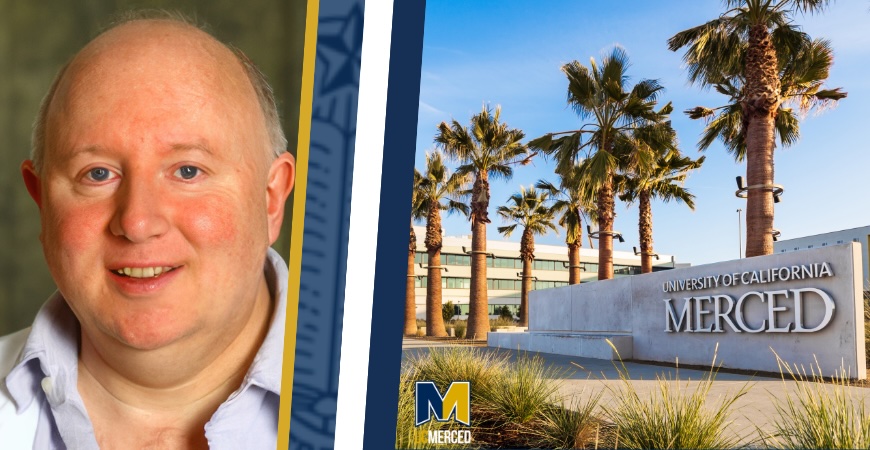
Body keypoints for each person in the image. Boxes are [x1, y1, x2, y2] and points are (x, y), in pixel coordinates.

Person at [0, 11, 296, 449]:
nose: (137, 223)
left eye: (188, 170)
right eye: (97, 174)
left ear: (271, 198)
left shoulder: (401, 406)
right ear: (42, 201)